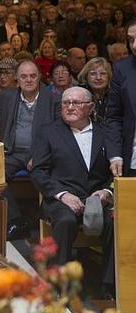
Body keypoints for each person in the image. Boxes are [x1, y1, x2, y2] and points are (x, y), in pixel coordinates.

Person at [31, 86, 114, 296]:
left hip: (97, 199)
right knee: (66, 221)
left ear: (90, 107)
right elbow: (39, 172)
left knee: (116, 221)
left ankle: (110, 285)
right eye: (65, 103)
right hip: (61, 197)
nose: (69, 107)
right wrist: (62, 195)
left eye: (75, 103)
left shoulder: (105, 133)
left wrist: (106, 192)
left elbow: (114, 172)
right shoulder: (48, 132)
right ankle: (59, 283)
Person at [0, 60, 61, 240]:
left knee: (47, 176)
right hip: (12, 152)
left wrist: (39, 156)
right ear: (17, 78)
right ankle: (16, 221)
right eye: (23, 76)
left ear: (39, 77)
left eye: (32, 76)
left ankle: (48, 219)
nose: (28, 80)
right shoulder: (7, 96)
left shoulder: (52, 99)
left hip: (40, 153)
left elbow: (58, 132)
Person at [105, 19, 136, 178]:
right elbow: (114, 117)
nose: (134, 45)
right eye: (131, 40)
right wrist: (115, 155)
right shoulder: (121, 69)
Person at [78, 57, 112, 126]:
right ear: (86, 76)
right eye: (93, 74)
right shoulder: (78, 95)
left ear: (109, 77)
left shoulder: (115, 95)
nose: (98, 78)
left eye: (103, 73)